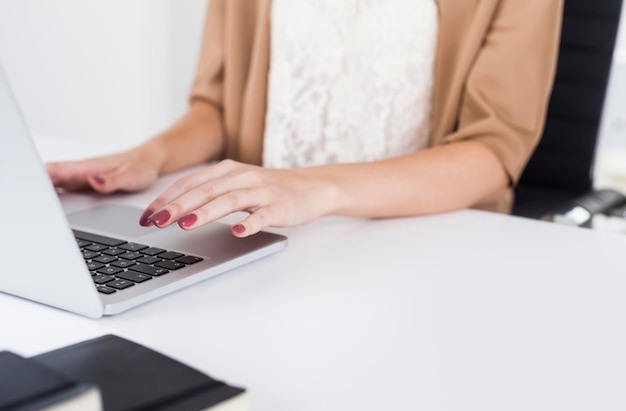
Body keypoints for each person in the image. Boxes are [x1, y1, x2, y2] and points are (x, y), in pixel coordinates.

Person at [46, 0, 563, 238]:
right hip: (267, 235)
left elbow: (492, 150)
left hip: (426, 240)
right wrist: (148, 156)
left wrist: (312, 189)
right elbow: (220, 107)